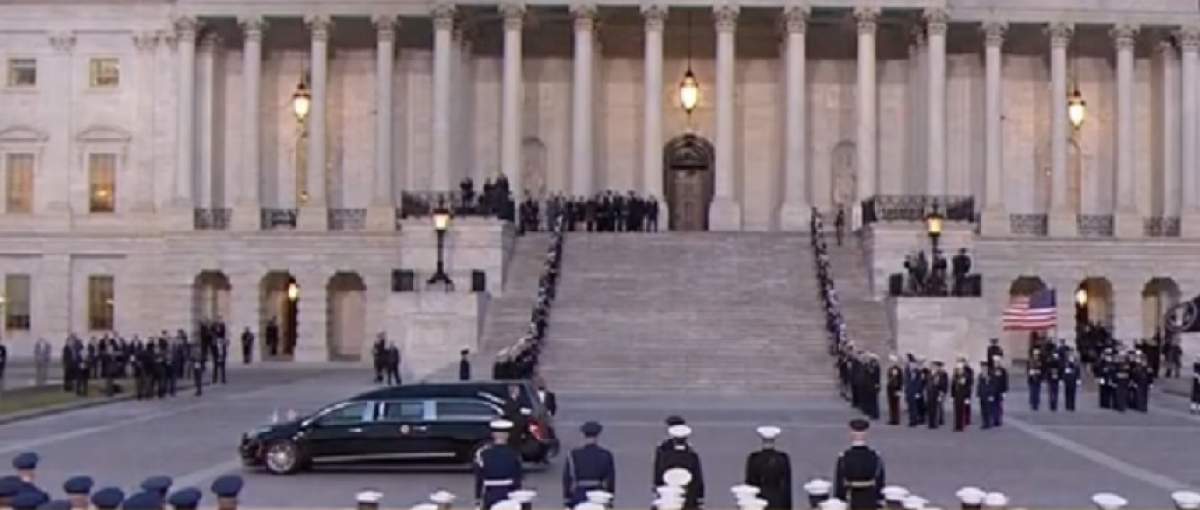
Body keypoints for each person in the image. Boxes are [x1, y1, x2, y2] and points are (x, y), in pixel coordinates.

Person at [832, 419, 884, 510]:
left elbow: (840, 482)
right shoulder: (875, 456)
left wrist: (840, 500)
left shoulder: (844, 457)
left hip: (852, 498)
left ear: (851, 434)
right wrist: (879, 499)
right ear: (866, 434)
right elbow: (880, 480)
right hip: (870, 498)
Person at [562, 421, 615, 508]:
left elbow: (567, 479)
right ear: (597, 435)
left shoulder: (573, 454)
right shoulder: (606, 455)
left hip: (579, 495)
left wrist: (567, 498)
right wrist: (610, 498)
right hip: (598, 495)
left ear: (584, 435)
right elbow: (610, 480)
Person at [652, 424, 704, 510]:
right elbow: (697, 477)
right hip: (689, 497)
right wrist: (699, 496)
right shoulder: (691, 455)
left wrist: (658, 490)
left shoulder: (664, 454)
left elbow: (658, 474)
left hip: (668, 494)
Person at [474, 420, 523, 510]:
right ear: (508, 435)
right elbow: (518, 478)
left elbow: (479, 478)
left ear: (493, 434)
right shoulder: (514, 453)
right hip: (509, 494)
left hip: (490, 495)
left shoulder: (482, 453)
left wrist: (477, 499)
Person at [744, 426, 791, 510]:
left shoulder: (754, 458)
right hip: (778, 501)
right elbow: (786, 486)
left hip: (758, 500)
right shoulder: (782, 458)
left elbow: (750, 483)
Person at [950, 361, 971, 431]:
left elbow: (968, 387)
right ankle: (956, 426)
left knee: (962, 412)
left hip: (963, 396)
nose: (959, 370)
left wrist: (967, 397)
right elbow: (952, 387)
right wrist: (952, 396)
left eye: (960, 369)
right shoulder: (955, 376)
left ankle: (961, 426)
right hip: (956, 396)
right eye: (958, 369)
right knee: (956, 412)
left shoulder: (966, 376)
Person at [976, 361, 995, 429]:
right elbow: (979, 386)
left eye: (984, 367)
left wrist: (991, 395)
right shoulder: (980, 375)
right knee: (983, 410)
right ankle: (984, 423)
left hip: (988, 395)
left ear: (987, 367)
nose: (983, 368)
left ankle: (989, 423)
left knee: (988, 410)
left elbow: (993, 386)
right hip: (982, 395)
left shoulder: (990, 375)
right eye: (982, 367)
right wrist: (978, 394)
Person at [885, 357, 903, 426]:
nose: (891, 362)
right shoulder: (890, 369)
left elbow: (900, 380)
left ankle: (896, 419)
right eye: (890, 361)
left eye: (892, 361)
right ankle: (892, 419)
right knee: (891, 404)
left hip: (896, 388)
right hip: (890, 388)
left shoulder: (898, 369)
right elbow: (889, 378)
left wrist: (899, 389)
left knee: (896, 404)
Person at [1027, 344, 1043, 411]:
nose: (1036, 354)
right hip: (1032, 378)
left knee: (1037, 391)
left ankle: (1036, 403)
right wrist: (1031, 373)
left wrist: (1040, 373)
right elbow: (1028, 369)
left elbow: (1042, 368)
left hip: (1038, 377)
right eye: (1035, 353)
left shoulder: (1040, 360)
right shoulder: (1030, 360)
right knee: (1032, 391)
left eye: (1037, 353)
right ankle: (1032, 403)